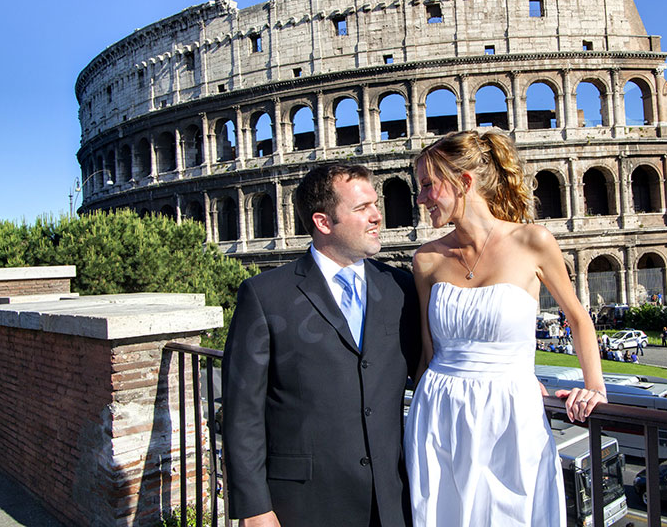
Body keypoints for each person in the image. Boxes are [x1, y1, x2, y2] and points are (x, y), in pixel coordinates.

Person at [404, 130, 606, 526]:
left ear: (464, 182)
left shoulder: (533, 241)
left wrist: (594, 387)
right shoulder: (425, 260)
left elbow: (578, 318)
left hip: (512, 413)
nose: (421, 198)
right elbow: (428, 353)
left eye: (429, 185)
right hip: (439, 413)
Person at [221, 164, 421, 527]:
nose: (378, 216)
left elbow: (429, 372)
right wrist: (253, 508)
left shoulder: (401, 288)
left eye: (375, 204)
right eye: (362, 208)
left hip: (390, 498)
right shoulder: (266, 295)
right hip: (302, 503)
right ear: (323, 222)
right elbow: (242, 411)